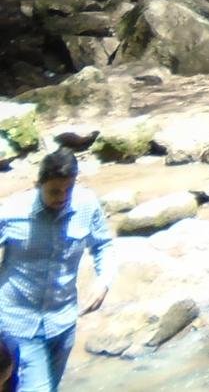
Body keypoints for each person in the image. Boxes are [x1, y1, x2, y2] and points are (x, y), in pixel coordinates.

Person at [0, 149, 115, 392]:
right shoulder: (11, 212)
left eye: (68, 190)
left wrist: (103, 280)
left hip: (62, 323)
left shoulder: (86, 206)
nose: (62, 197)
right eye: (54, 191)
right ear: (38, 184)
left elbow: (103, 244)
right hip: (17, 323)